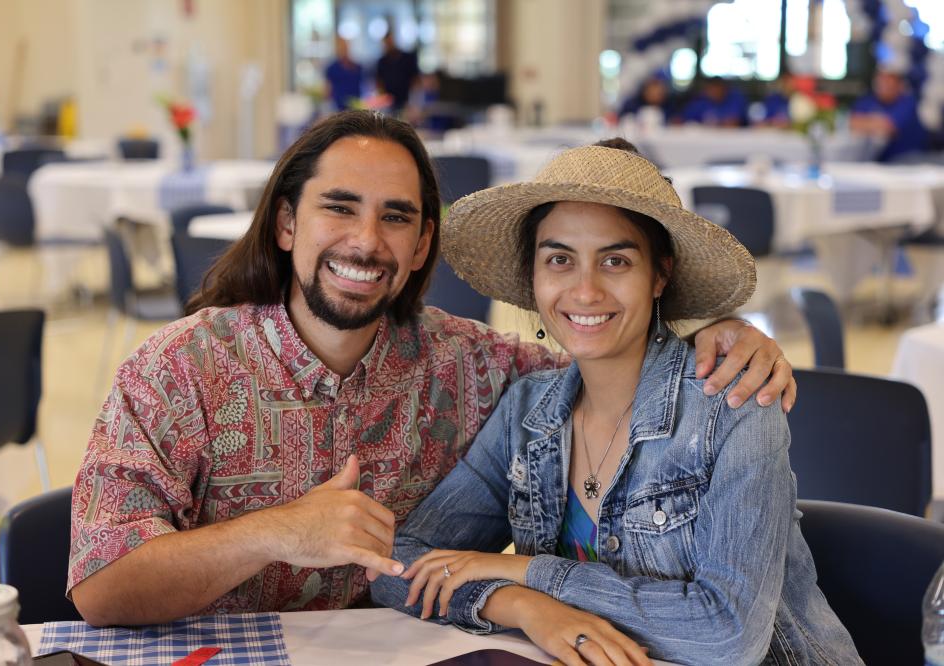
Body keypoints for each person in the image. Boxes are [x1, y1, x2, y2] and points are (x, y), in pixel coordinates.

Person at [68, 111, 795, 627]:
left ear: (421, 245)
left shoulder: (474, 367)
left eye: (395, 217)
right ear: (286, 224)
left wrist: (712, 330)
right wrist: (274, 533)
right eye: (339, 209)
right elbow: (99, 588)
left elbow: (605, 350)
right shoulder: (177, 371)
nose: (365, 241)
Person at [372, 139, 859, 664]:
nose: (585, 291)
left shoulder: (732, 406)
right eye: (560, 259)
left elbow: (728, 636)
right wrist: (526, 606)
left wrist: (532, 572)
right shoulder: (526, 414)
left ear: (659, 274)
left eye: (615, 261)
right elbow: (396, 568)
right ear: (534, 275)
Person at [850, 69, 928, 162]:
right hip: (877, 160)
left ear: (899, 85)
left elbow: (888, 126)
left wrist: (867, 122)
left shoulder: (907, 102)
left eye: (889, 81)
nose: (884, 84)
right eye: (881, 80)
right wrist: (877, 123)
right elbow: (853, 123)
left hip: (907, 158)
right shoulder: (868, 101)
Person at [375, 28, 420, 113]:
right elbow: (379, 82)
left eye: (390, 41)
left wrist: (414, 101)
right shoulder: (382, 62)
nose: (389, 44)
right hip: (389, 103)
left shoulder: (408, 59)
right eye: (386, 42)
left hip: (406, 100)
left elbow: (416, 80)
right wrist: (382, 100)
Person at [678, 77, 748, 127]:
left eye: (718, 89)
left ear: (724, 89)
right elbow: (682, 119)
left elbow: (734, 121)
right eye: (712, 89)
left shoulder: (735, 99)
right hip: (703, 138)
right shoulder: (700, 100)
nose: (715, 92)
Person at [324, 37, 363, 112]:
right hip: (338, 108)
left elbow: (363, 87)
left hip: (355, 107)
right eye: (340, 47)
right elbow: (327, 90)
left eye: (344, 46)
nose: (342, 49)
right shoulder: (331, 69)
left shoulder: (357, 67)